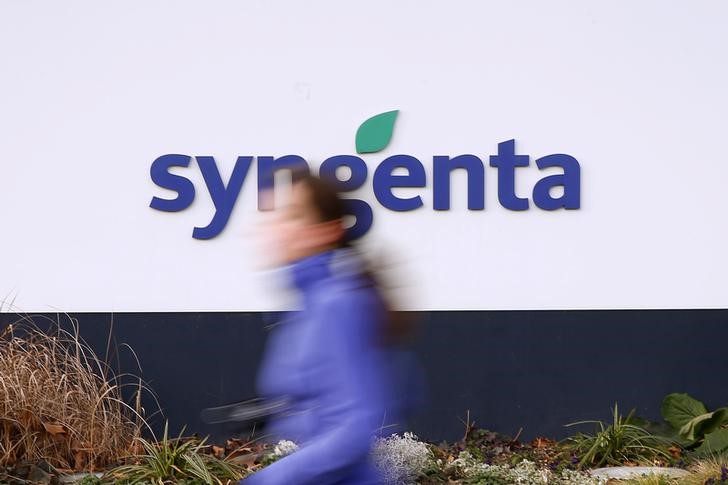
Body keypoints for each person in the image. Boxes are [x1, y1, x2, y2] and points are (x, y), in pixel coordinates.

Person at [242, 173, 407, 485]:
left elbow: (356, 426)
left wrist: (266, 481)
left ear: (326, 231)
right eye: (273, 215)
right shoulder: (306, 307)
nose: (275, 226)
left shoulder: (338, 304)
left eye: (292, 215)